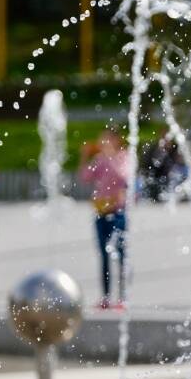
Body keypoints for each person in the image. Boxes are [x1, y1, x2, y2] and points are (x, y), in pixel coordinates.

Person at [78, 129, 131, 309]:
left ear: (116, 140)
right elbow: (85, 177)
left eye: (107, 140)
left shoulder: (124, 156)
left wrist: (109, 157)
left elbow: (123, 177)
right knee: (104, 255)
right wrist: (85, 157)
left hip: (117, 212)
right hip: (100, 212)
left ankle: (123, 297)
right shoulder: (100, 159)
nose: (103, 143)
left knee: (121, 254)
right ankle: (106, 297)